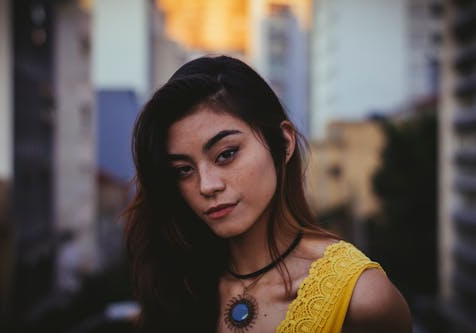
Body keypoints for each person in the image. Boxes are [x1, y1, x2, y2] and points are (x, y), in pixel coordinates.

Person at [124, 55, 411, 333]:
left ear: (283, 143)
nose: (206, 185)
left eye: (226, 154)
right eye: (183, 170)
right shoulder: (176, 284)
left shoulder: (361, 299)